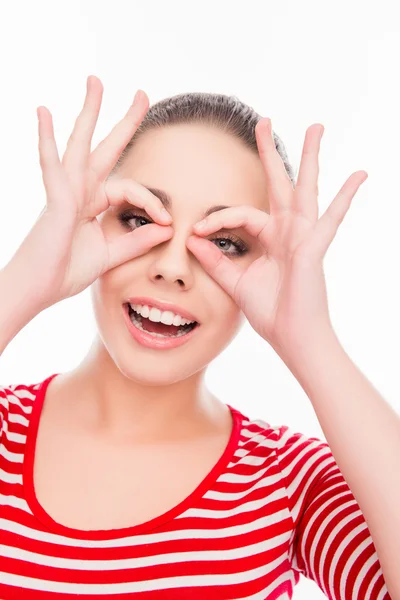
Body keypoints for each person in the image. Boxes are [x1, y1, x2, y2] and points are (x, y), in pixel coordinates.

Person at [0, 75, 395, 599]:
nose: (171, 267)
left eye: (226, 243)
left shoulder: (289, 480)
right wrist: (24, 281)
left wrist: (312, 341)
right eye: (138, 219)